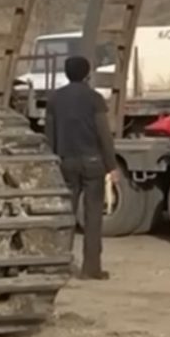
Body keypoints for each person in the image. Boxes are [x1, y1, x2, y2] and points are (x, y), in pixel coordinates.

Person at [45, 54, 116, 281]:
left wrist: (53, 160)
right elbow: (104, 134)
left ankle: (60, 265)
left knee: (65, 216)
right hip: (93, 162)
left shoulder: (55, 99)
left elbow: (50, 135)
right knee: (93, 215)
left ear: (66, 73)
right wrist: (111, 165)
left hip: (66, 162)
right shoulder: (94, 98)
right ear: (88, 74)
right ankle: (91, 268)